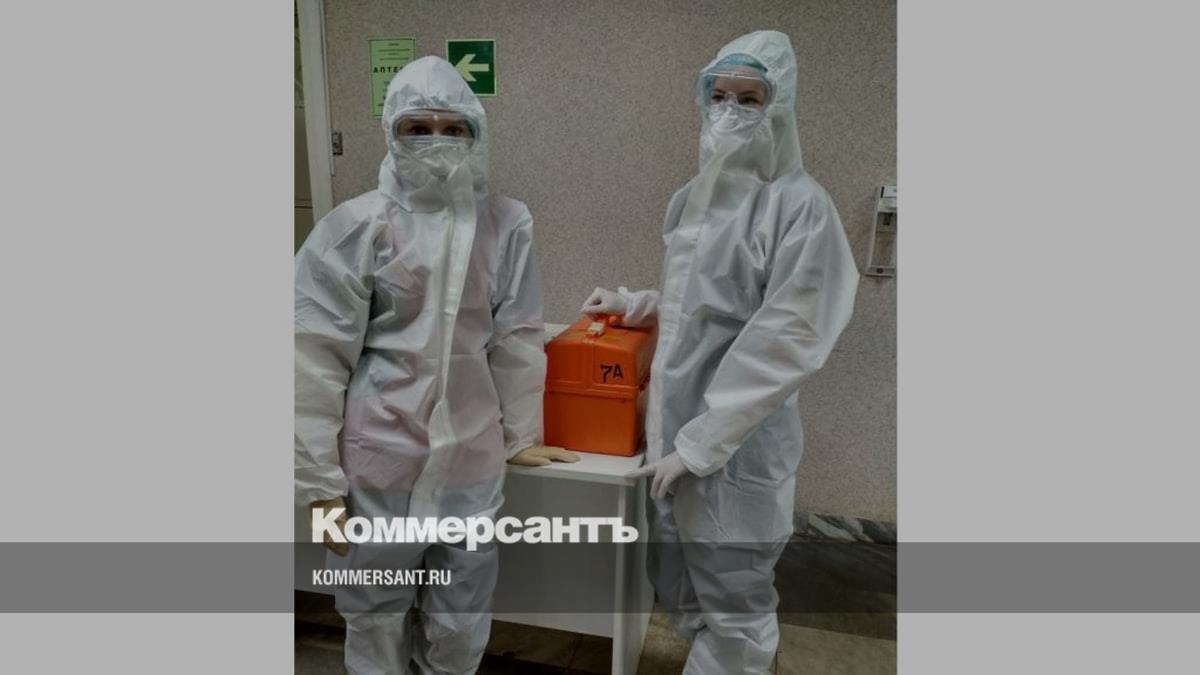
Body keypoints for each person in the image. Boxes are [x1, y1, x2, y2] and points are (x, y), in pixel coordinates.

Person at [583, 31, 859, 673]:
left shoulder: (800, 206)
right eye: (719, 95)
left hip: (733, 445)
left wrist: (705, 442)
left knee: (735, 599)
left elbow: (787, 338)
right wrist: (635, 304)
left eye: (749, 99)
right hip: (677, 427)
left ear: (779, 108)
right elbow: (707, 303)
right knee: (679, 579)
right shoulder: (698, 195)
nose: (730, 111)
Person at [295, 56, 576, 674]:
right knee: (374, 613)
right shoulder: (355, 226)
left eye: (453, 129)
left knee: (461, 614)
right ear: (391, 132)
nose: (436, 141)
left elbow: (517, 336)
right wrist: (317, 483)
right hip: (381, 455)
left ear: (477, 134)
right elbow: (312, 355)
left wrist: (521, 435)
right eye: (417, 128)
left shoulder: (506, 223)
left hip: (471, 456)